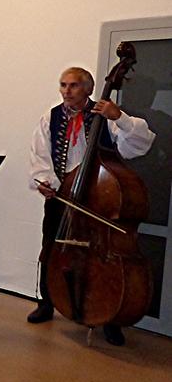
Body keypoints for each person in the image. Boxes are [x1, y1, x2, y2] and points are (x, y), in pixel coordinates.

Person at [27, 67, 155, 345]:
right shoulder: (51, 117)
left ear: (88, 88)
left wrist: (118, 117)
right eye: (63, 85)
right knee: (52, 248)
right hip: (63, 196)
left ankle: (110, 316)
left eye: (73, 86)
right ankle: (47, 302)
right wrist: (45, 181)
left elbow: (139, 144)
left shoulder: (105, 115)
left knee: (102, 256)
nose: (66, 91)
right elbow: (39, 155)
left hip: (99, 199)